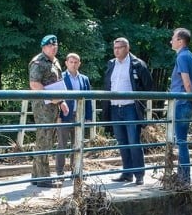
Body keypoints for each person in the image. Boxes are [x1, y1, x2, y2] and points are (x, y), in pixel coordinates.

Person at [102, 37, 153, 185]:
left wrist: (139, 101)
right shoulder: (111, 64)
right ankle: (127, 173)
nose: (116, 50)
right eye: (115, 48)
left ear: (127, 48)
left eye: (120, 47)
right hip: (115, 108)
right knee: (122, 142)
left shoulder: (137, 64)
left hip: (131, 107)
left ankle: (139, 175)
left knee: (133, 141)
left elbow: (148, 86)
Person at [29, 34, 69, 187]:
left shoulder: (55, 62)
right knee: (44, 140)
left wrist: (61, 101)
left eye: (55, 45)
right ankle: (44, 178)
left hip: (54, 106)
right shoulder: (38, 62)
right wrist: (53, 99)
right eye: (51, 45)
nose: (54, 47)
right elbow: (34, 84)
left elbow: (58, 83)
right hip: (43, 107)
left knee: (46, 140)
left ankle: (36, 175)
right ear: (43, 47)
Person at [169, 27, 192, 184]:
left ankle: (184, 178)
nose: (171, 41)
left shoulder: (181, 57)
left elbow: (187, 83)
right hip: (188, 103)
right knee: (182, 140)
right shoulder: (191, 56)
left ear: (180, 41)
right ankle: (183, 176)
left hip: (182, 102)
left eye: (173, 38)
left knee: (181, 141)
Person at [57, 52, 93, 177]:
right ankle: (60, 172)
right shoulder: (60, 77)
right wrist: (58, 116)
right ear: (66, 63)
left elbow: (88, 100)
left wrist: (88, 117)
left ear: (79, 63)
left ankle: (75, 171)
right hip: (64, 116)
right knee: (62, 145)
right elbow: (57, 98)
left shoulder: (84, 79)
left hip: (79, 116)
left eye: (76, 62)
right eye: (71, 62)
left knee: (77, 145)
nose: (73, 64)